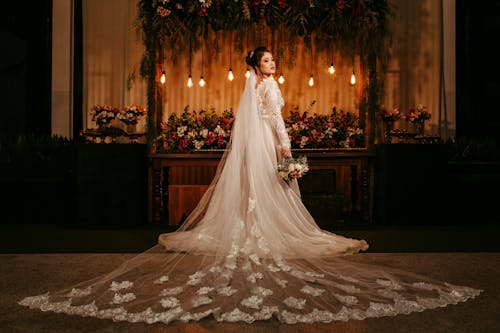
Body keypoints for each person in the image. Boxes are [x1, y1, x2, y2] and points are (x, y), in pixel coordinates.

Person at [18, 47, 481, 325]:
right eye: (266, 60)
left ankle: (250, 225)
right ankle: (265, 227)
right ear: (257, 66)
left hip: (252, 145)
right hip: (267, 144)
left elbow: (255, 119)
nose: (271, 64)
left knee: (258, 193)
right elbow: (277, 121)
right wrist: (286, 148)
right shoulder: (270, 89)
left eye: (273, 59)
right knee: (277, 190)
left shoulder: (252, 88)